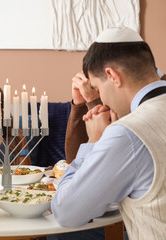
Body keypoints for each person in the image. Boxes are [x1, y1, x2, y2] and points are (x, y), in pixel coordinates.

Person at [51, 27, 166, 240]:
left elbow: (66, 212)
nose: (101, 99)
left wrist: (94, 141)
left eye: (97, 88)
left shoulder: (127, 133)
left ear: (112, 76)